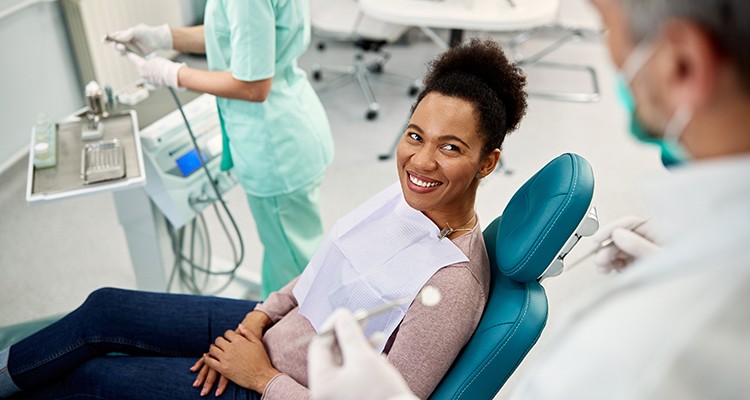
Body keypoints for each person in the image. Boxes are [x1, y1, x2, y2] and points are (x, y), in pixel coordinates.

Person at [0, 38, 528, 399]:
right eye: (415, 135)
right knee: (105, 309)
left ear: (487, 162)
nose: (420, 161)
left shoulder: (452, 287)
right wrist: (258, 317)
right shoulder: (406, 200)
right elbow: (325, 269)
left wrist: (261, 376)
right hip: (269, 329)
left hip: (271, 384)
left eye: (450, 147)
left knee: (96, 378)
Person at [306, 0, 750, 399]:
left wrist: (270, 380)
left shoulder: (641, 350)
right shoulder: (714, 262)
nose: (613, 59)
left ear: (683, 64)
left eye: (608, 30)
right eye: (415, 136)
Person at [109, 0, 335, 298]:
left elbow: (253, 86)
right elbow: (238, 34)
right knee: (288, 247)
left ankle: (292, 338)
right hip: (292, 123)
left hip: (274, 145)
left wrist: (173, 74)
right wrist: (164, 37)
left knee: (295, 274)